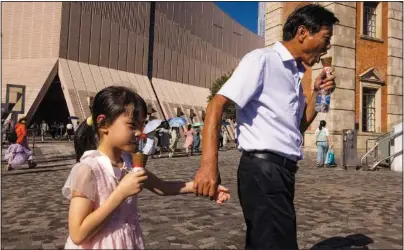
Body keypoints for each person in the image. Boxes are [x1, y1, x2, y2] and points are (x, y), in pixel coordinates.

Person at [193, 4, 338, 249]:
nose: (327, 46)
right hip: (263, 170)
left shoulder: (294, 74)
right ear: (303, 33)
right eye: (325, 38)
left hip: (282, 174)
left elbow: (297, 126)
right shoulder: (262, 59)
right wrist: (208, 166)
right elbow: (216, 105)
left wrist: (316, 94)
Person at [63, 86, 230, 249]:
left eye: (141, 125)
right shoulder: (88, 169)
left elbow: (162, 187)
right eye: (132, 125)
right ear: (103, 123)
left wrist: (200, 187)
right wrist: (121, 193)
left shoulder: (127, 161)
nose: (139, 132)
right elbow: (78, 234)